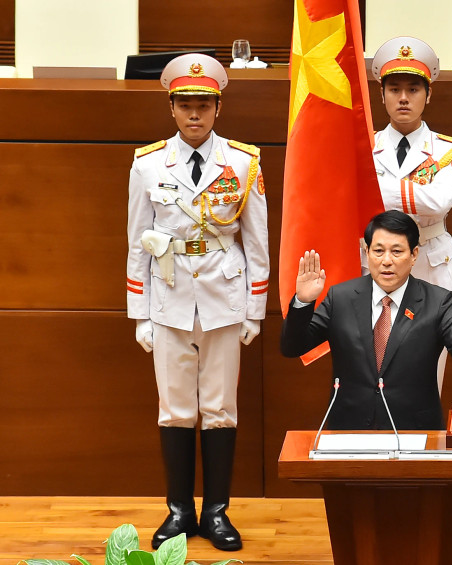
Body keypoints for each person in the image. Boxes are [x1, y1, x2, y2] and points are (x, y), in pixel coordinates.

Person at [126, 53, 269, 551]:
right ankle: (179, 511)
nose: (194, 114)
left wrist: (254, 307)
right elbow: (137, 240)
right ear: (171, 107)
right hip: (167, 295)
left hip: (223, 295)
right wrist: (139, 311)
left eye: (203, 104)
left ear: (217, 107)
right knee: (175, 409)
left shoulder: (243, 161)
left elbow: (256, 241)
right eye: (185, 104)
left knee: (220, 408)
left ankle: (217, 513)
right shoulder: (147, 164)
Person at [281, 210, 452, 430]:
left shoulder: (436, 302)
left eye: (396, 251)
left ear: (414, 255)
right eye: (378, 251)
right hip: (349, 433)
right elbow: (293, 347)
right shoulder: (341, 298)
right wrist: (303, 302)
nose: (386, 261)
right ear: (366, 251)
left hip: (415, 433)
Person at [369, 37, 452, 393]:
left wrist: (376, 190)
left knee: (428, 381)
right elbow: (348, 198)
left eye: (413, 89)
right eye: (394, 88)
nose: (403, 98)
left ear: (428, 95)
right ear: (381, 94)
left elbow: (438, 202)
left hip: (432, 266)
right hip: (373, 266)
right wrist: (413, 192)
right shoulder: (360, 146)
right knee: (375, 375)